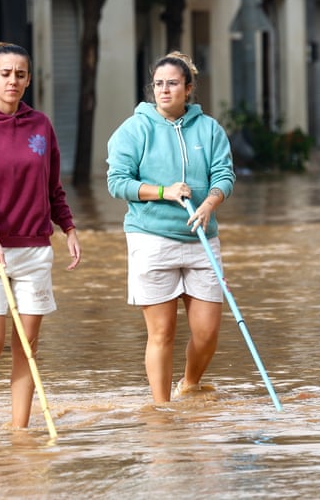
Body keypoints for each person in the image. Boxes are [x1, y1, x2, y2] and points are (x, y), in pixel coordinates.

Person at [0, 42, 82, 426]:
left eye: (20, 74)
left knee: (27, 347)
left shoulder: (40, 126)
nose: (13, 80)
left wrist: (68, 227)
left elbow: (52, 185)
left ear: (28, 80)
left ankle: (21, 433)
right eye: (6, 73)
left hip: (33, 250)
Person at [106, 51, 236, 403]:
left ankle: (190, 384)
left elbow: (224, 175)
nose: (164, 90)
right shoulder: (134, 130)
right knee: (162, 332)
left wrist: (210, 204)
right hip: (151, 237)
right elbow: (118, 183)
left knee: (207, 333)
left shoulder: (209, 129)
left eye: (173, 84)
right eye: (159, 84)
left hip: (201, 238)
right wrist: (163, 192)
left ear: (188, 89)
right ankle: (161, 410)